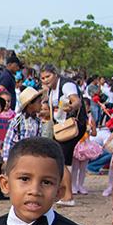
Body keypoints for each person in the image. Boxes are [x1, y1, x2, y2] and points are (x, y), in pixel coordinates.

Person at [39, 64, 85, 207]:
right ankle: (63, 193)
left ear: (55, 74)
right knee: (62, 161)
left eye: (48, 76)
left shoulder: (66, 85)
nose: (46, 80)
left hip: (71, 127)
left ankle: (68, 196)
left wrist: (71, 107)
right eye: (43, 78)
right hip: (61, 127)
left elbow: (76, 101)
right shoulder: (52, 90)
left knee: (62, 161)